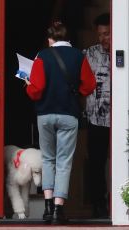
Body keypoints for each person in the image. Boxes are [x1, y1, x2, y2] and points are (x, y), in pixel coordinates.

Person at [25, 21, 96, 224]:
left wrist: (28, 86)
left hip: (45, 115)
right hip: (68, 115)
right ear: (67, 38)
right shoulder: (78, 56)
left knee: (48, 159)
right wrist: (76, 93)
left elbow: (36, 90)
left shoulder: (42, 56)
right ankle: (58, 209)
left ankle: (47, 207)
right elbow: (89, 85)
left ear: (50, 39)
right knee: (64, 162)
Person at [85, 13, 110, 218]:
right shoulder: (89, 54)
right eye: (101, 34)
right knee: (96, 162)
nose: (104, 38)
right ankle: (98, 204)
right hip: (95, 118)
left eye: (108, 34)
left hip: (121, 118)